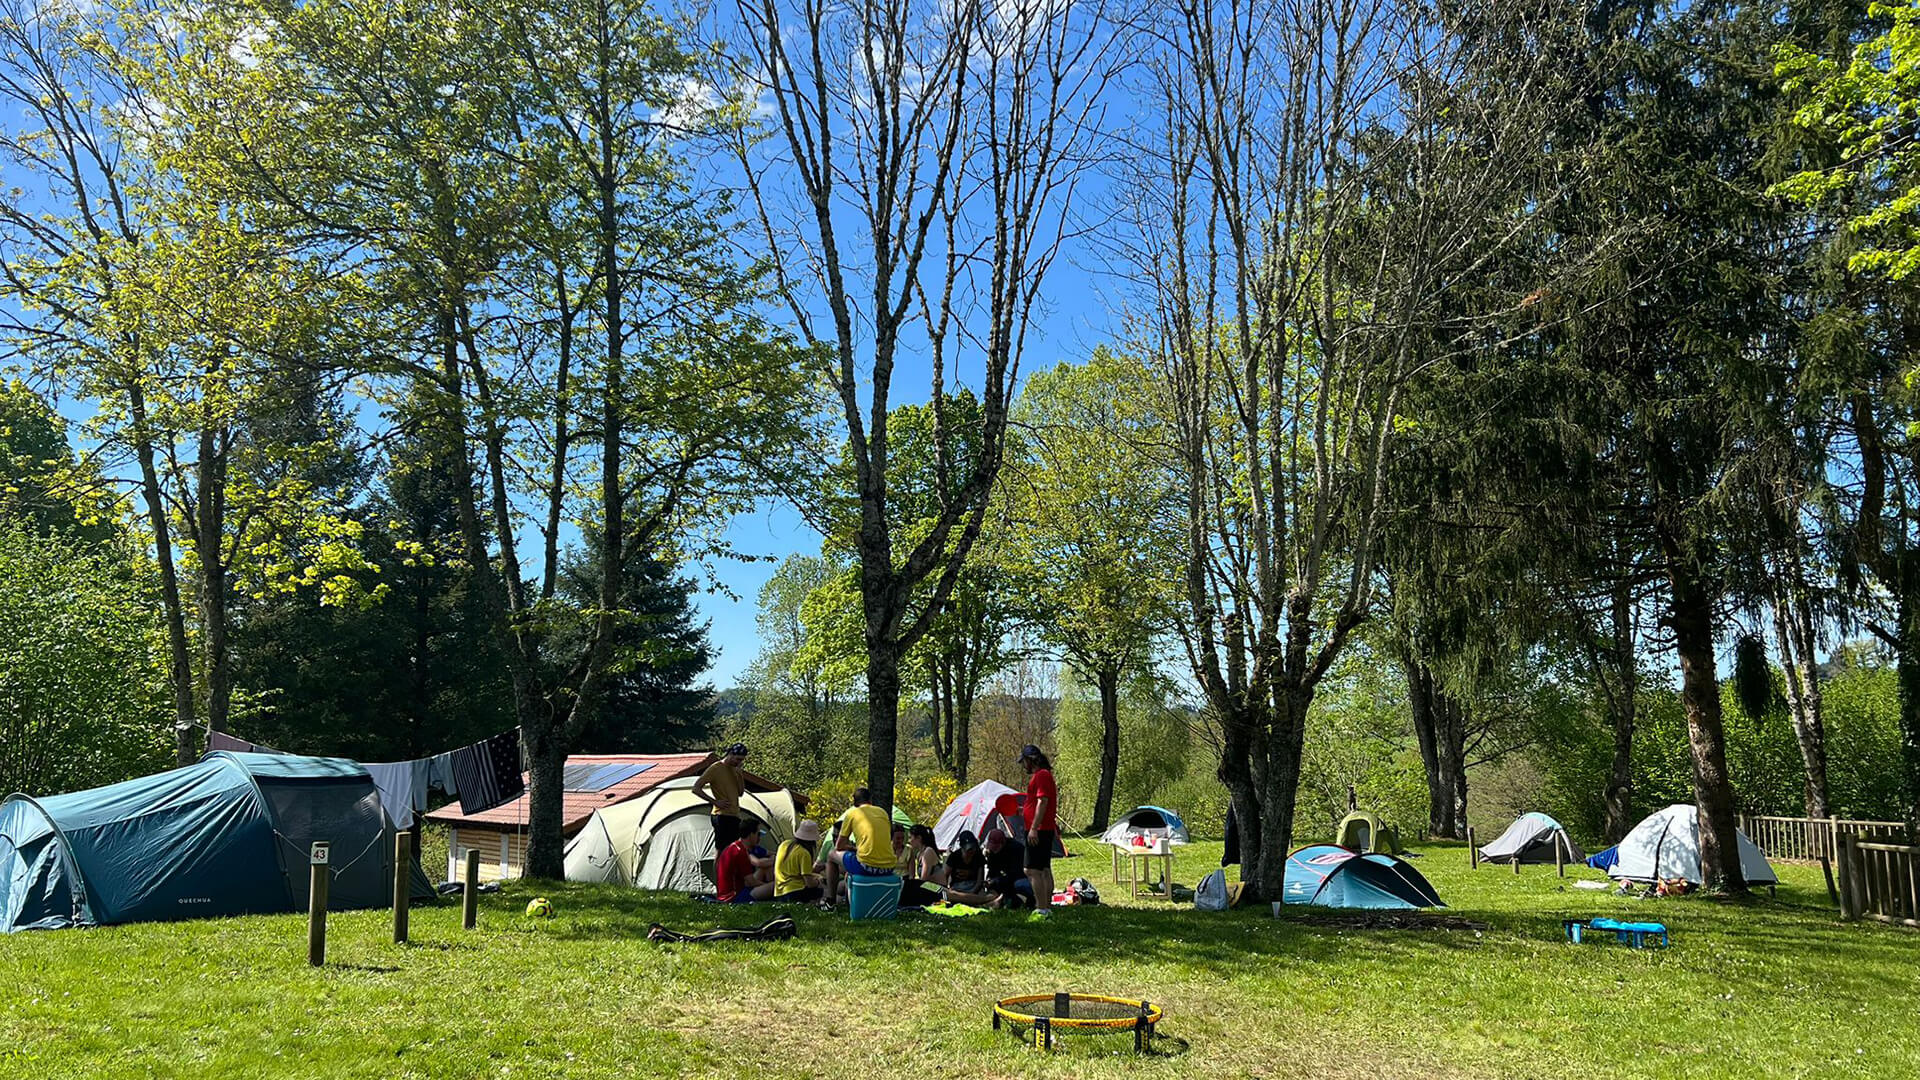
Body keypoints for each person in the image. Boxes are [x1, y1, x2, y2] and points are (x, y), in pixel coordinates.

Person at [821, 787, 897, 907]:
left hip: (865, 866)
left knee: (831, 855)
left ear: (855, 803)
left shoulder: (852, 814)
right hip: (889, 867)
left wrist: (852, 848)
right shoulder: (882, 812)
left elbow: (839, 846)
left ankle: (830, 901)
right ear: (870, 800)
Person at [1019, 744, 1058, 916]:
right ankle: (1047, 907)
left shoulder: (1041, 775)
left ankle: (1041, 909)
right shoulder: (1044, 775)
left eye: (1024, 762)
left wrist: (1033, 828)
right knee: (1043, 869)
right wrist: (1024, 811)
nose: (1023, 766)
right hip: (1044, 828)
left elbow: (1043, 801)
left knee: (1032, 870)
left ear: (1030, 760)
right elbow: (1037, 803)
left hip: (1039, 830)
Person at [692, 743, 749, 854]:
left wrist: (740, 775)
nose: (739, 762)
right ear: (730, 754)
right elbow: (696, 788)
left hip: (734, 814)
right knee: (721, 849)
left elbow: (740, 793)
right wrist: (715, 802)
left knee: (734, 849)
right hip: (721, 815)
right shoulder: (716, 768)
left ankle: (729, 871)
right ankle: (719, 871)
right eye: (737, 759)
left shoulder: (735, 769)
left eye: (741, 760)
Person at [717, 817, 774, 903]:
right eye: (758, 834)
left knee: (765, 869)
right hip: (734, 897)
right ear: (751, 834)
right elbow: (751, 882)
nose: (759, 838)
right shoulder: (740, 852)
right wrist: (767, 886)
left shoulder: (735, 847)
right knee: (776, 886)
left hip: (731, 892)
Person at [772, 820, 825, 904]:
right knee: (823, 891)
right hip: (796, 892)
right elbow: (809, 883)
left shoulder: (784, 844)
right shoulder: (804, 853)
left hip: (779, 893)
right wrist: (819, 881)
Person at [982, 827, 1032, 909]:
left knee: (1019, 884)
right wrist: (990, 880)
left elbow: (1018, 873)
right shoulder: (991, 853)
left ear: (1003, 843)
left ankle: (1027, 899)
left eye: (996, 846)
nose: (994, 849)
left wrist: (998, 880)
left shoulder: (1016, 849)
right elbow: (992, 871)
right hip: (1007, 879)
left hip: (1023, 878)